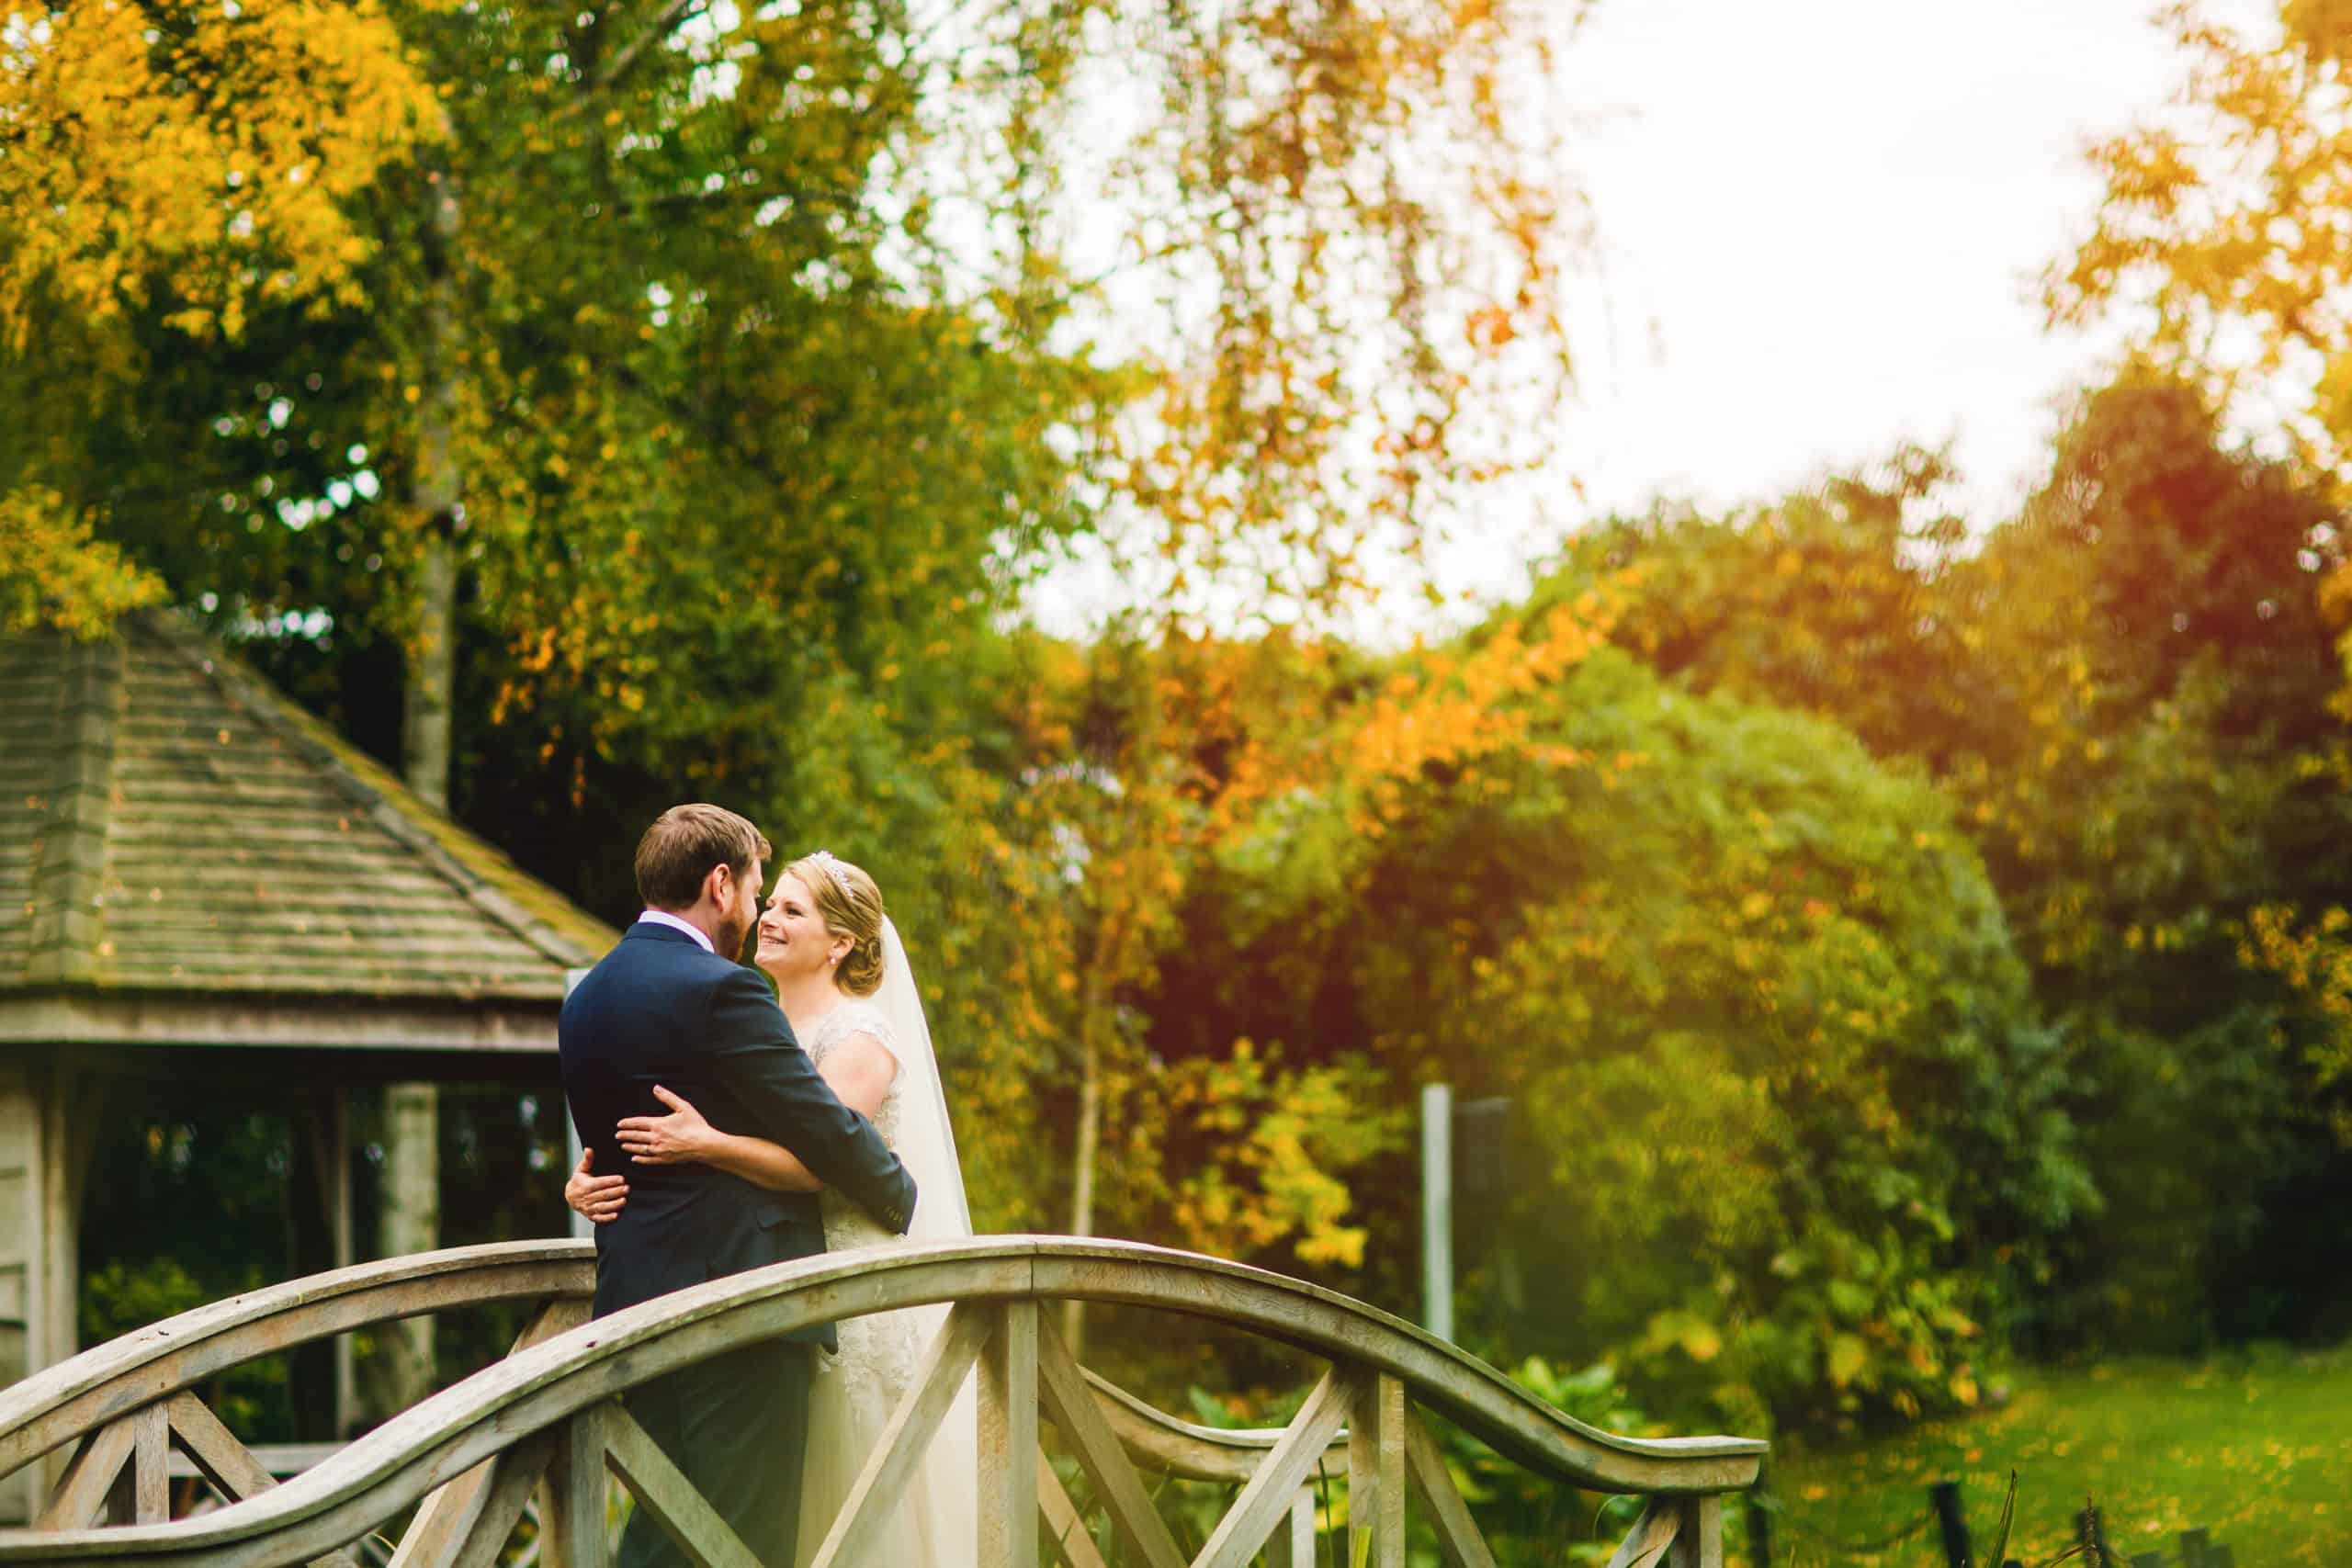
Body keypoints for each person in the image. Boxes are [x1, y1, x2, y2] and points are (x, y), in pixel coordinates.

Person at [567, 849, 977, 1565]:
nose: (767, 919)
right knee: (714, 1522)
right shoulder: (741, 1012)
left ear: (841, 942)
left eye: (792, 909)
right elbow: (651, 1115)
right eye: (771, 900)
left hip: (825, 1295)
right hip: (752, 1294)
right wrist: (588, 1177)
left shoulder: (857, 1036)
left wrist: (708, 1143)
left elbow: (829, 1161)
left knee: (812, 1514)